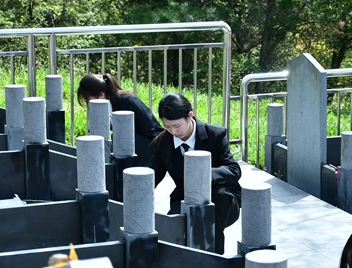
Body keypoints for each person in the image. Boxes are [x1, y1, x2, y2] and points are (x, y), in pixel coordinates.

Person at [150, 93, 241, 254]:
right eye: (167, 127)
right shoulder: (163, 142)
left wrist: (201, 174)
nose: (173, 131)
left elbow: (234, 170)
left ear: (190, 115)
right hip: (185, 198)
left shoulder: (215, 134)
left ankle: (214, 258)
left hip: (223, 198)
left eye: (177, 126)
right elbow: (153, 177)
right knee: (173, 230)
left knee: (211, 212)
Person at [78, 73, 164, 166]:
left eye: (87, 100)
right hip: (133, 146)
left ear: (101, 95)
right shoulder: (103, 108)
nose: (88, 104)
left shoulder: (128, 101)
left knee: (118, 138)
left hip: (152, 145)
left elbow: (150, 129)